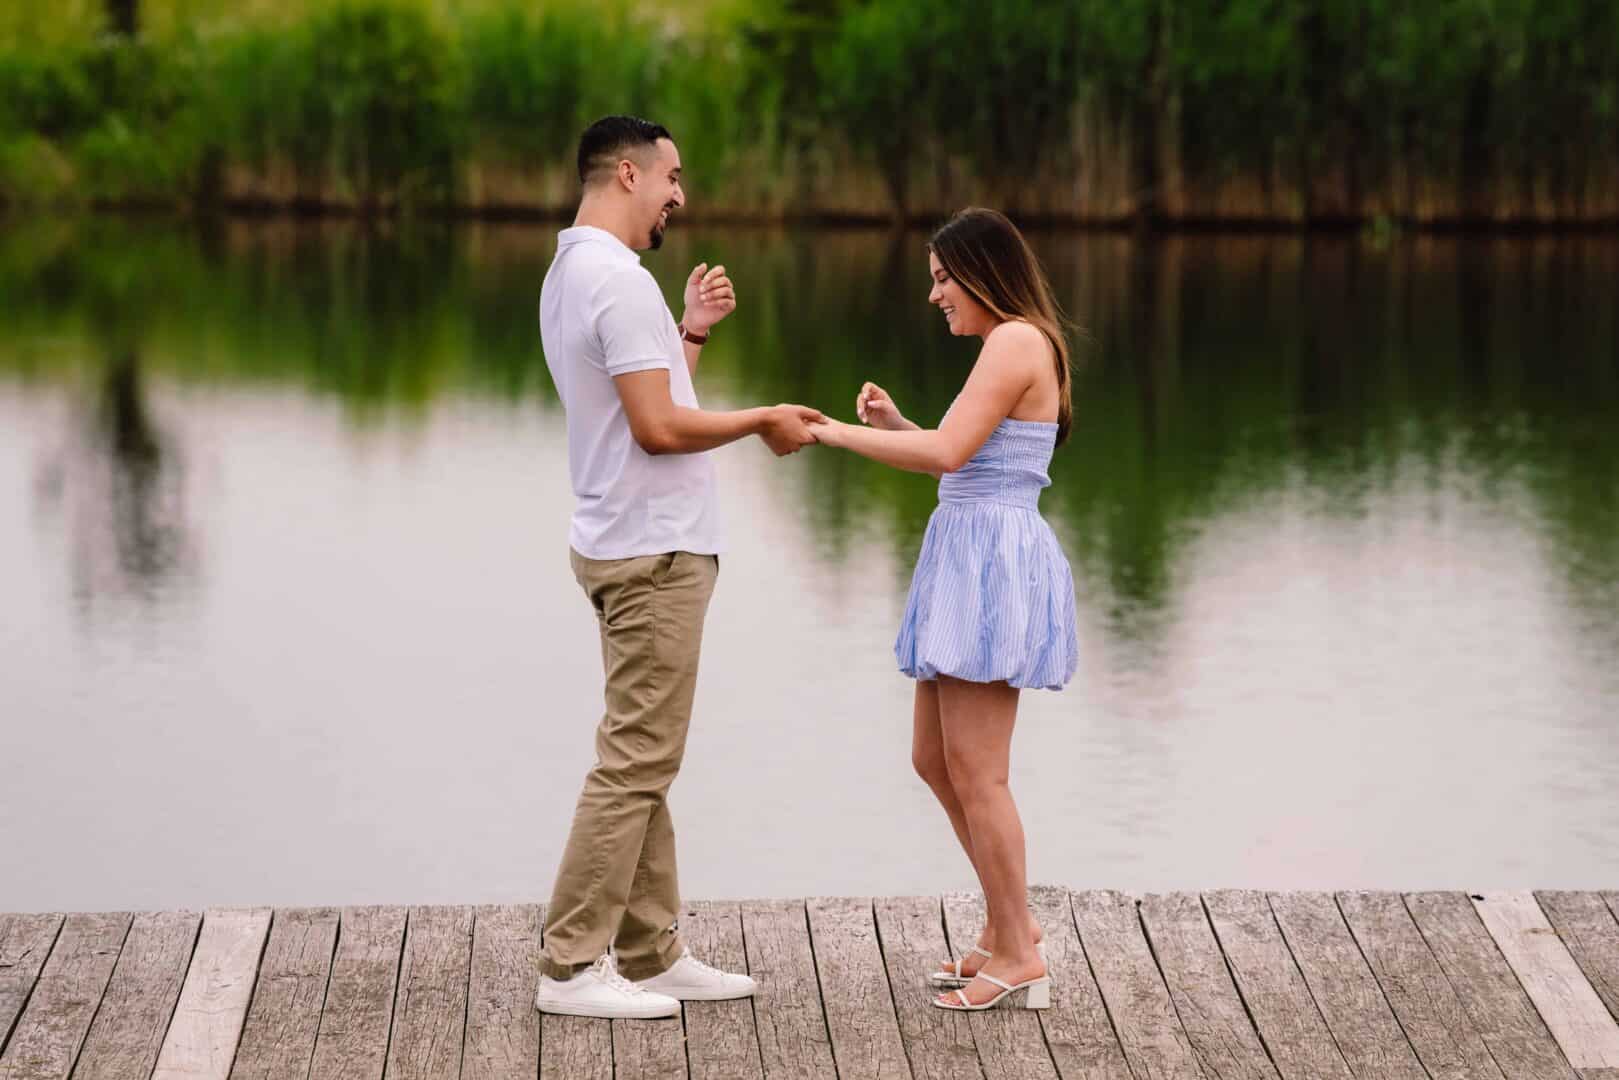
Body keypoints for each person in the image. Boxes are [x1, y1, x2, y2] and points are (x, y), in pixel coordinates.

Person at [535, 115, 822, 1020]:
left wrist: (690, 335)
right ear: (628, 173)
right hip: (650, 551)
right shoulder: (615, 282)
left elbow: (647, 406)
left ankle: (649, 952)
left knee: (644, 756)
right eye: (671, 178)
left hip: (628, 536)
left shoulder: (578, 270)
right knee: (634, 761)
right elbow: (660, 431)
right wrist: (763, 415)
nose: (679, 197)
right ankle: (571, 968)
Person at [807, 207, 1079, 1011]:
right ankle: (1008, 932)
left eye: (940, 278)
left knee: (980, 774)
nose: (933, 296)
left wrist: (828, 435)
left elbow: (947, 455)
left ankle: (1019, 949)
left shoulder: (1017, 341)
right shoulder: (1014, 345)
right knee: (935, 759)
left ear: (980, 272)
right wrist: (897, 426)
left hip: (990, 565)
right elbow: (962, 460)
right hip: (972, 551)